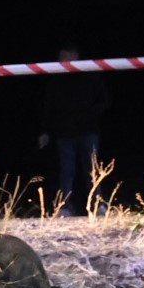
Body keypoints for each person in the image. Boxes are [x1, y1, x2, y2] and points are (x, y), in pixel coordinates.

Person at [37, 46, 110, 215]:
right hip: (65, 133)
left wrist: (88, 115)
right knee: (66, 171)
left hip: (88, 131)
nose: (62, 60)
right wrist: (45, 132)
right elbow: (49, 108)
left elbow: (104, 100)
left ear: (75, 56)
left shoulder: (90, 75)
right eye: (60, 57)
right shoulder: (56, 79)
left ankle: (99, 204)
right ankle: (65, 206)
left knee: (92, 169)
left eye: (65, 56)